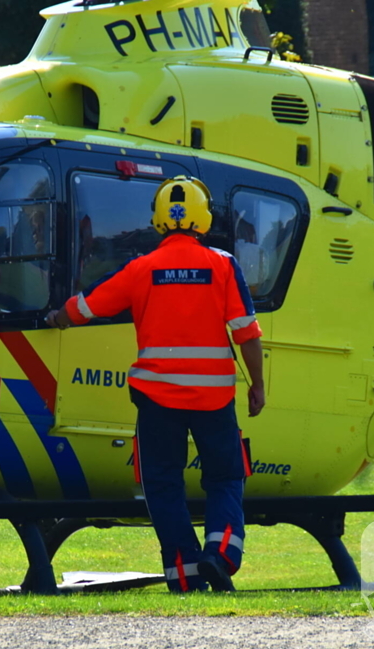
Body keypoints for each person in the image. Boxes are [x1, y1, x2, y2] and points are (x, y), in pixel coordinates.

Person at [45, 176, 265, 592]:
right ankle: (219, 555)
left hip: (157, 398)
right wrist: (258, 385)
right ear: (203, 218)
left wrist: (59, 317)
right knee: (225, 477)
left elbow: (89, 306)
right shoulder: (222, 265)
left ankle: (185, 577)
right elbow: (247, 333)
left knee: (163, 486)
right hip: (213, 398)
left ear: (159, 219)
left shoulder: (142, 267)